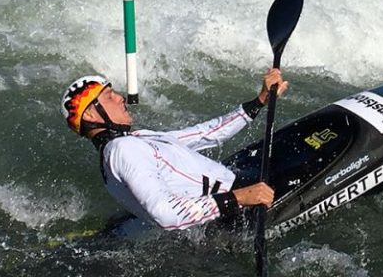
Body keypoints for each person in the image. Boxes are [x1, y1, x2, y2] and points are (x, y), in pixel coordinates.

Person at [61, 69, 288, 230]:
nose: (120, 98)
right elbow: (165, 214)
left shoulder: (133, 141)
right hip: (236, 212)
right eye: (109, 96)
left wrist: (260, 101)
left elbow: (204, 134)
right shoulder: (123, 150)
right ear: (91, 115)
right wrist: (240, 197)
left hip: (234, 196)